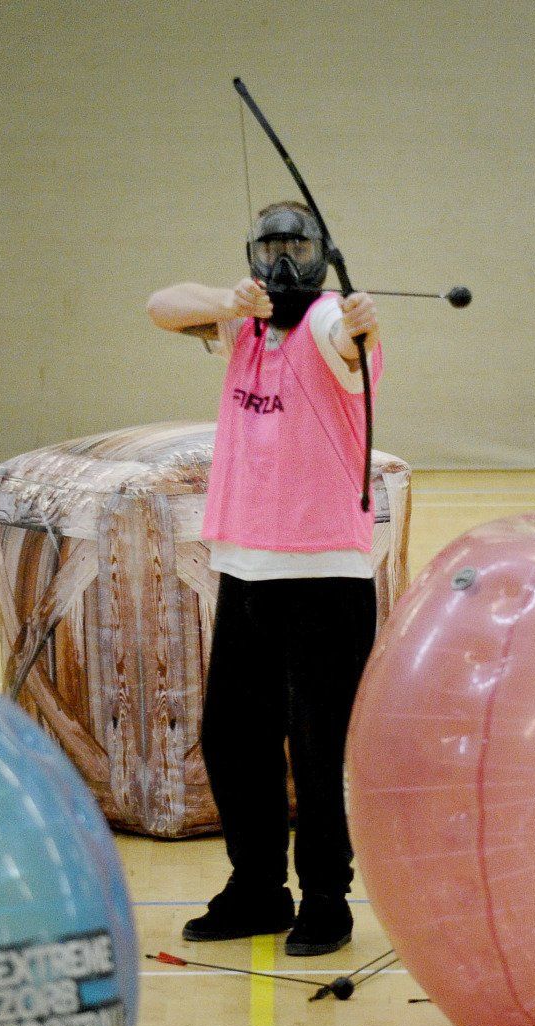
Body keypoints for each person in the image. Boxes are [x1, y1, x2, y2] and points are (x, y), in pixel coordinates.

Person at [144, 200, 382, 956]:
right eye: (269, 246)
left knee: (317, 749)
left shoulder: (329, 324)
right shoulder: (240, 324)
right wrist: (227, 301)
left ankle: (325, 901)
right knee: (234, 738)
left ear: (321, 253)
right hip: (245, 565)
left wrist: (359, 321)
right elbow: (159, 305)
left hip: (324, 574)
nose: (282, 261)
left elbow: (347, 338)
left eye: (296, 246)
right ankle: (257, 890)